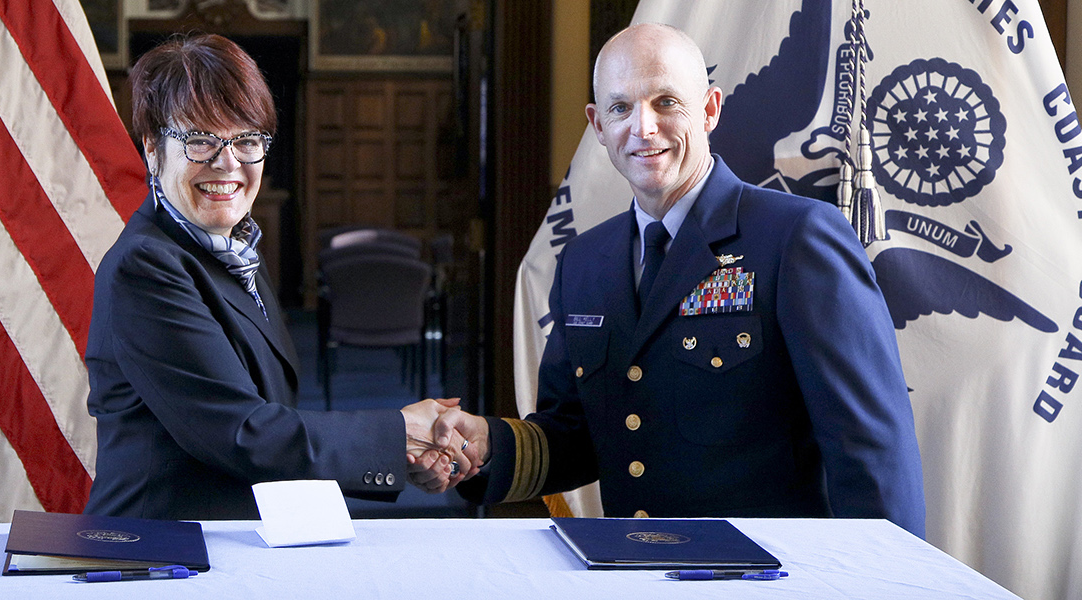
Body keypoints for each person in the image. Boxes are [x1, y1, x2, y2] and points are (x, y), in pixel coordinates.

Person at [419, 23, 927, 538]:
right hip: (631, 570)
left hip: (768, 580)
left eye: (666, 102)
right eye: (620, 108)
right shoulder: (585, 262)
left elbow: (871, 452)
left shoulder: (796, 238)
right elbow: (576, 435)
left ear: (709, 110)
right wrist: (483, 442)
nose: (643, 127)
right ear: (597, 125)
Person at [84, 34, 466, 520]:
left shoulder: (237, 249)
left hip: (235, 540)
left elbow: (274, 421)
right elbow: (243, 434)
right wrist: (398, 433)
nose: (229, 163)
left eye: (246, 140)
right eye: (200, 140)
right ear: (153, 149)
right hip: (159, 555)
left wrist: (403, 457)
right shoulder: (147, 266)